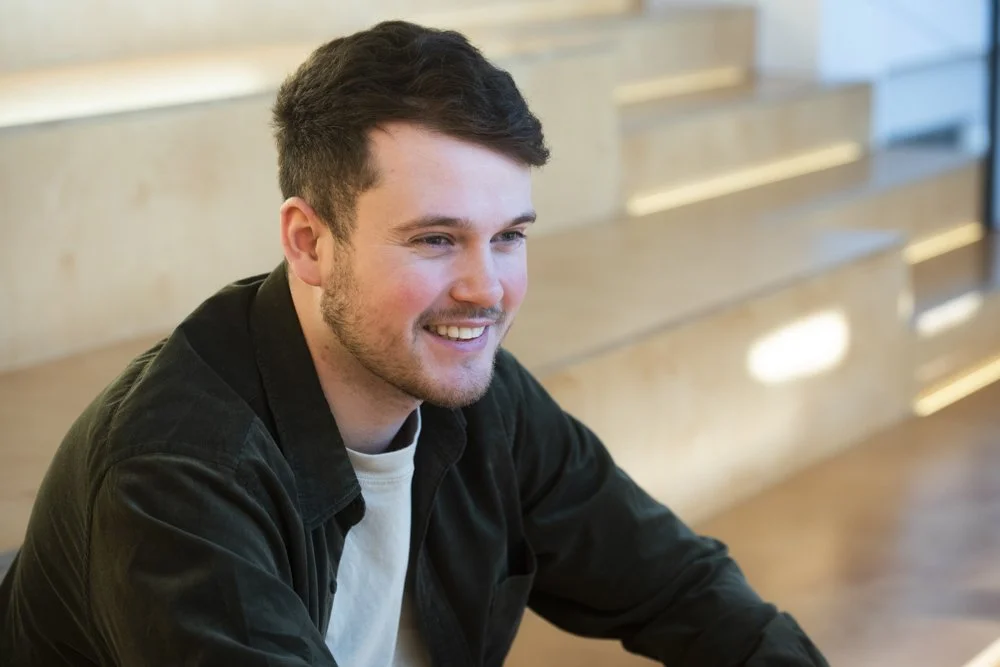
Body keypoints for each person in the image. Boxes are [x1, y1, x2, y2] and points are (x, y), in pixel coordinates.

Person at [0, 20, 829, 667]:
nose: (486, 288)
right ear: (309, 242)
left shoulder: (483, 397)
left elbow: (683, 585)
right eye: (436, 239)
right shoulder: (177, 471)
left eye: (508, 236)